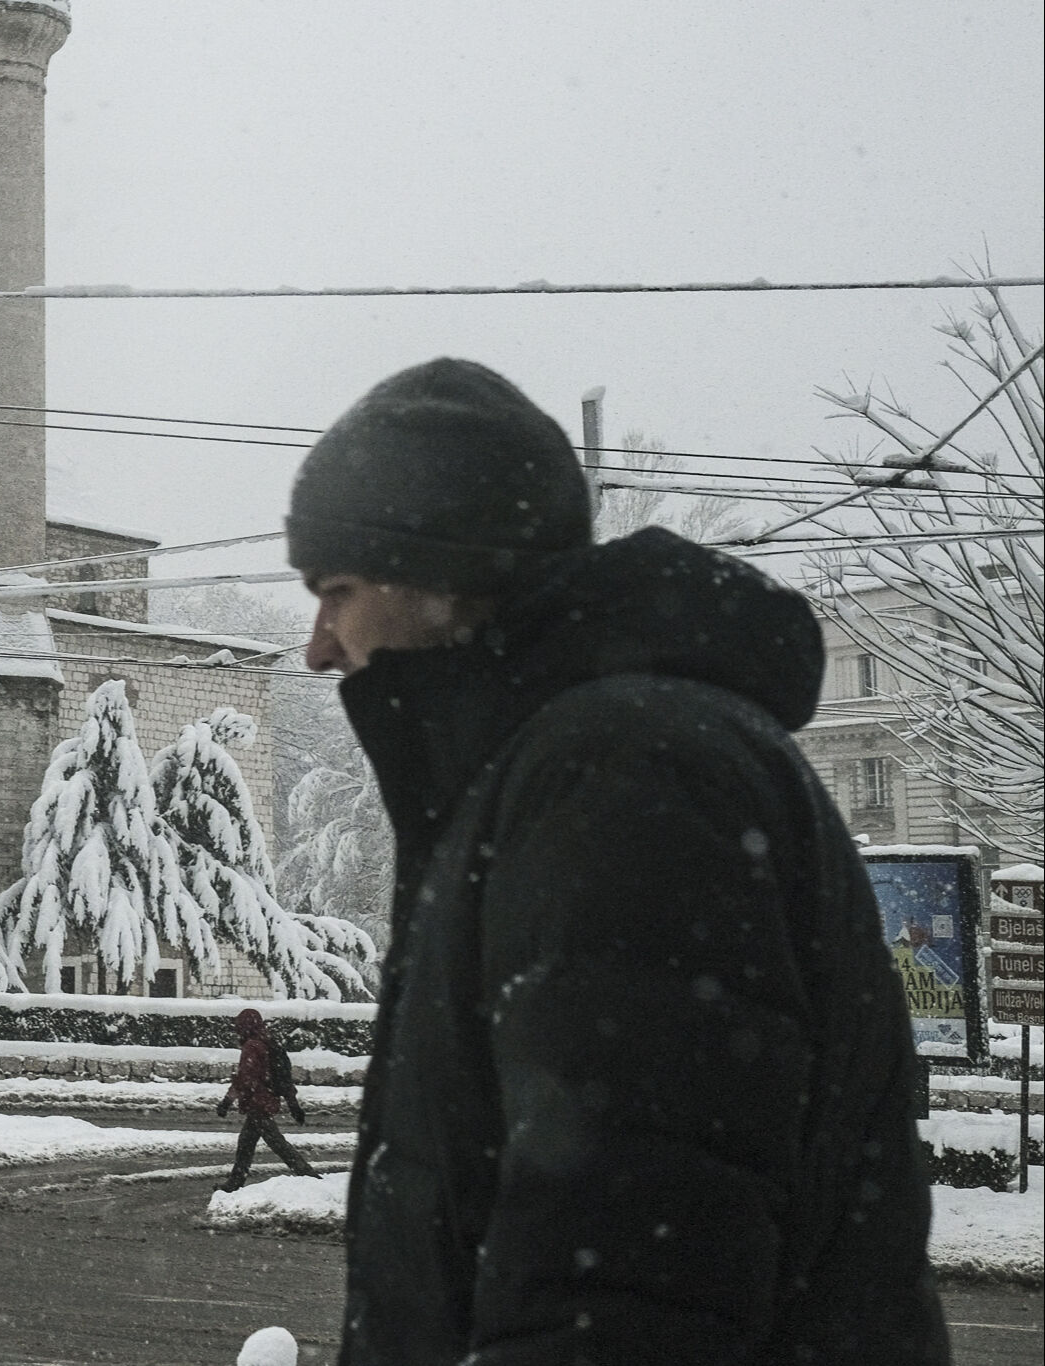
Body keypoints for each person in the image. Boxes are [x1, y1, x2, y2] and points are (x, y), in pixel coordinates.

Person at [288, 358, 943, 1364]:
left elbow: (623, 1290)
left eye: (336, 590)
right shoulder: (568, 766)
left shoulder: (622, 773)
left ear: (437, 573)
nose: (318, 646)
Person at [217, 1008, 316, 1191]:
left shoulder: (252, 1046)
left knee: (277, 1144)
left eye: (239, 1025)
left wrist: (226, 1102)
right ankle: (235, 1182)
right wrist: (293, 1105)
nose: (237, 1029)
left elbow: (244, 1078)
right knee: (246, 1144)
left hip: (257, 1103)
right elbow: (283, 1078)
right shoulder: (268, 1042)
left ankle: (308, 1174)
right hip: (266, 1100)